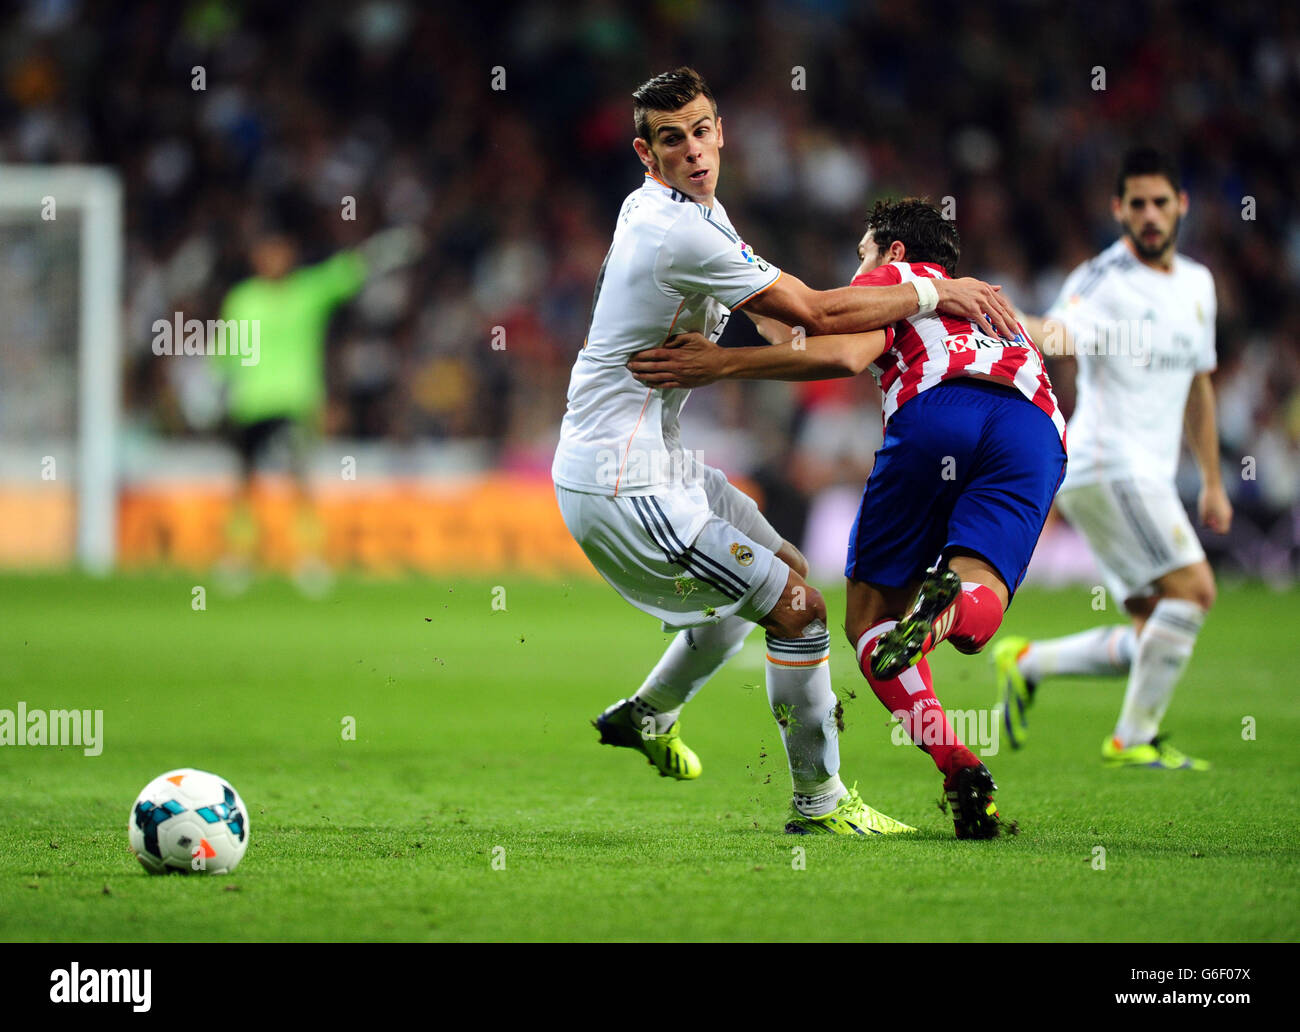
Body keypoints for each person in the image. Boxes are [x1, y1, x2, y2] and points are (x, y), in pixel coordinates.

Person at [553, 67, 1020, 834]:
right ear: (646, 152)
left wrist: (826, 337)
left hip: (655, 459)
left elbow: (791, 326)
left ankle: (648, 713)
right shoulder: (675, 229)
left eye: (703, 130)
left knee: (788, 574)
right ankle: (820, 804)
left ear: (721, 129)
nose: (695, 150)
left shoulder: (689, 209)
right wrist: (934, 294)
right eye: (673, 140)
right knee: (799, 612)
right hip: (621, 478)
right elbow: (807, 308)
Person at [629, 197, 1067, 839]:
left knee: (870, 622)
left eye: (863, 249)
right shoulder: (991, 306)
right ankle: (952, 610)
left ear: (892, 251)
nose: (858, 262)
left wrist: (722, 363)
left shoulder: (898, 282)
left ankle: (957, 762)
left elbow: (841, 353)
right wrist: (746, 294)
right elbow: (807, 337)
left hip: (936, 413)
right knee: (981, 603)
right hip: (1035, 427)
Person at [993, 147, 1229, 770]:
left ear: (1181, 205)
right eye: (1137, 204)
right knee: (1195, 591)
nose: (1150, 216)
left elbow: (1200, 385)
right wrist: (1012, 317)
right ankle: (1134, 739)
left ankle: (1030, 662)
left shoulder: (1199, 285)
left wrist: (1212, 480)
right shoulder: (1103, 280)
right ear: (1118, 209)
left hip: (1141, 474)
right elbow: (1058, 333)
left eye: (1161, 202)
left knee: (1157, 626)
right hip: (1107, 464)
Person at [212, 225, 421, 578]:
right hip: (249, 403)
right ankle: (239, 556)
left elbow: (349, 271)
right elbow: (225, 350)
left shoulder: (306, 292)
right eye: (267, 252)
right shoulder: (243, 299)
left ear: (290, 255)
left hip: (294, 400)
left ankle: (308, 558)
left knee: (298, 480)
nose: (274, 260)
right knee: (244, 482)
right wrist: (214, 384)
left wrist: (388, 248)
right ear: (256, 257)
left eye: (280, 252)